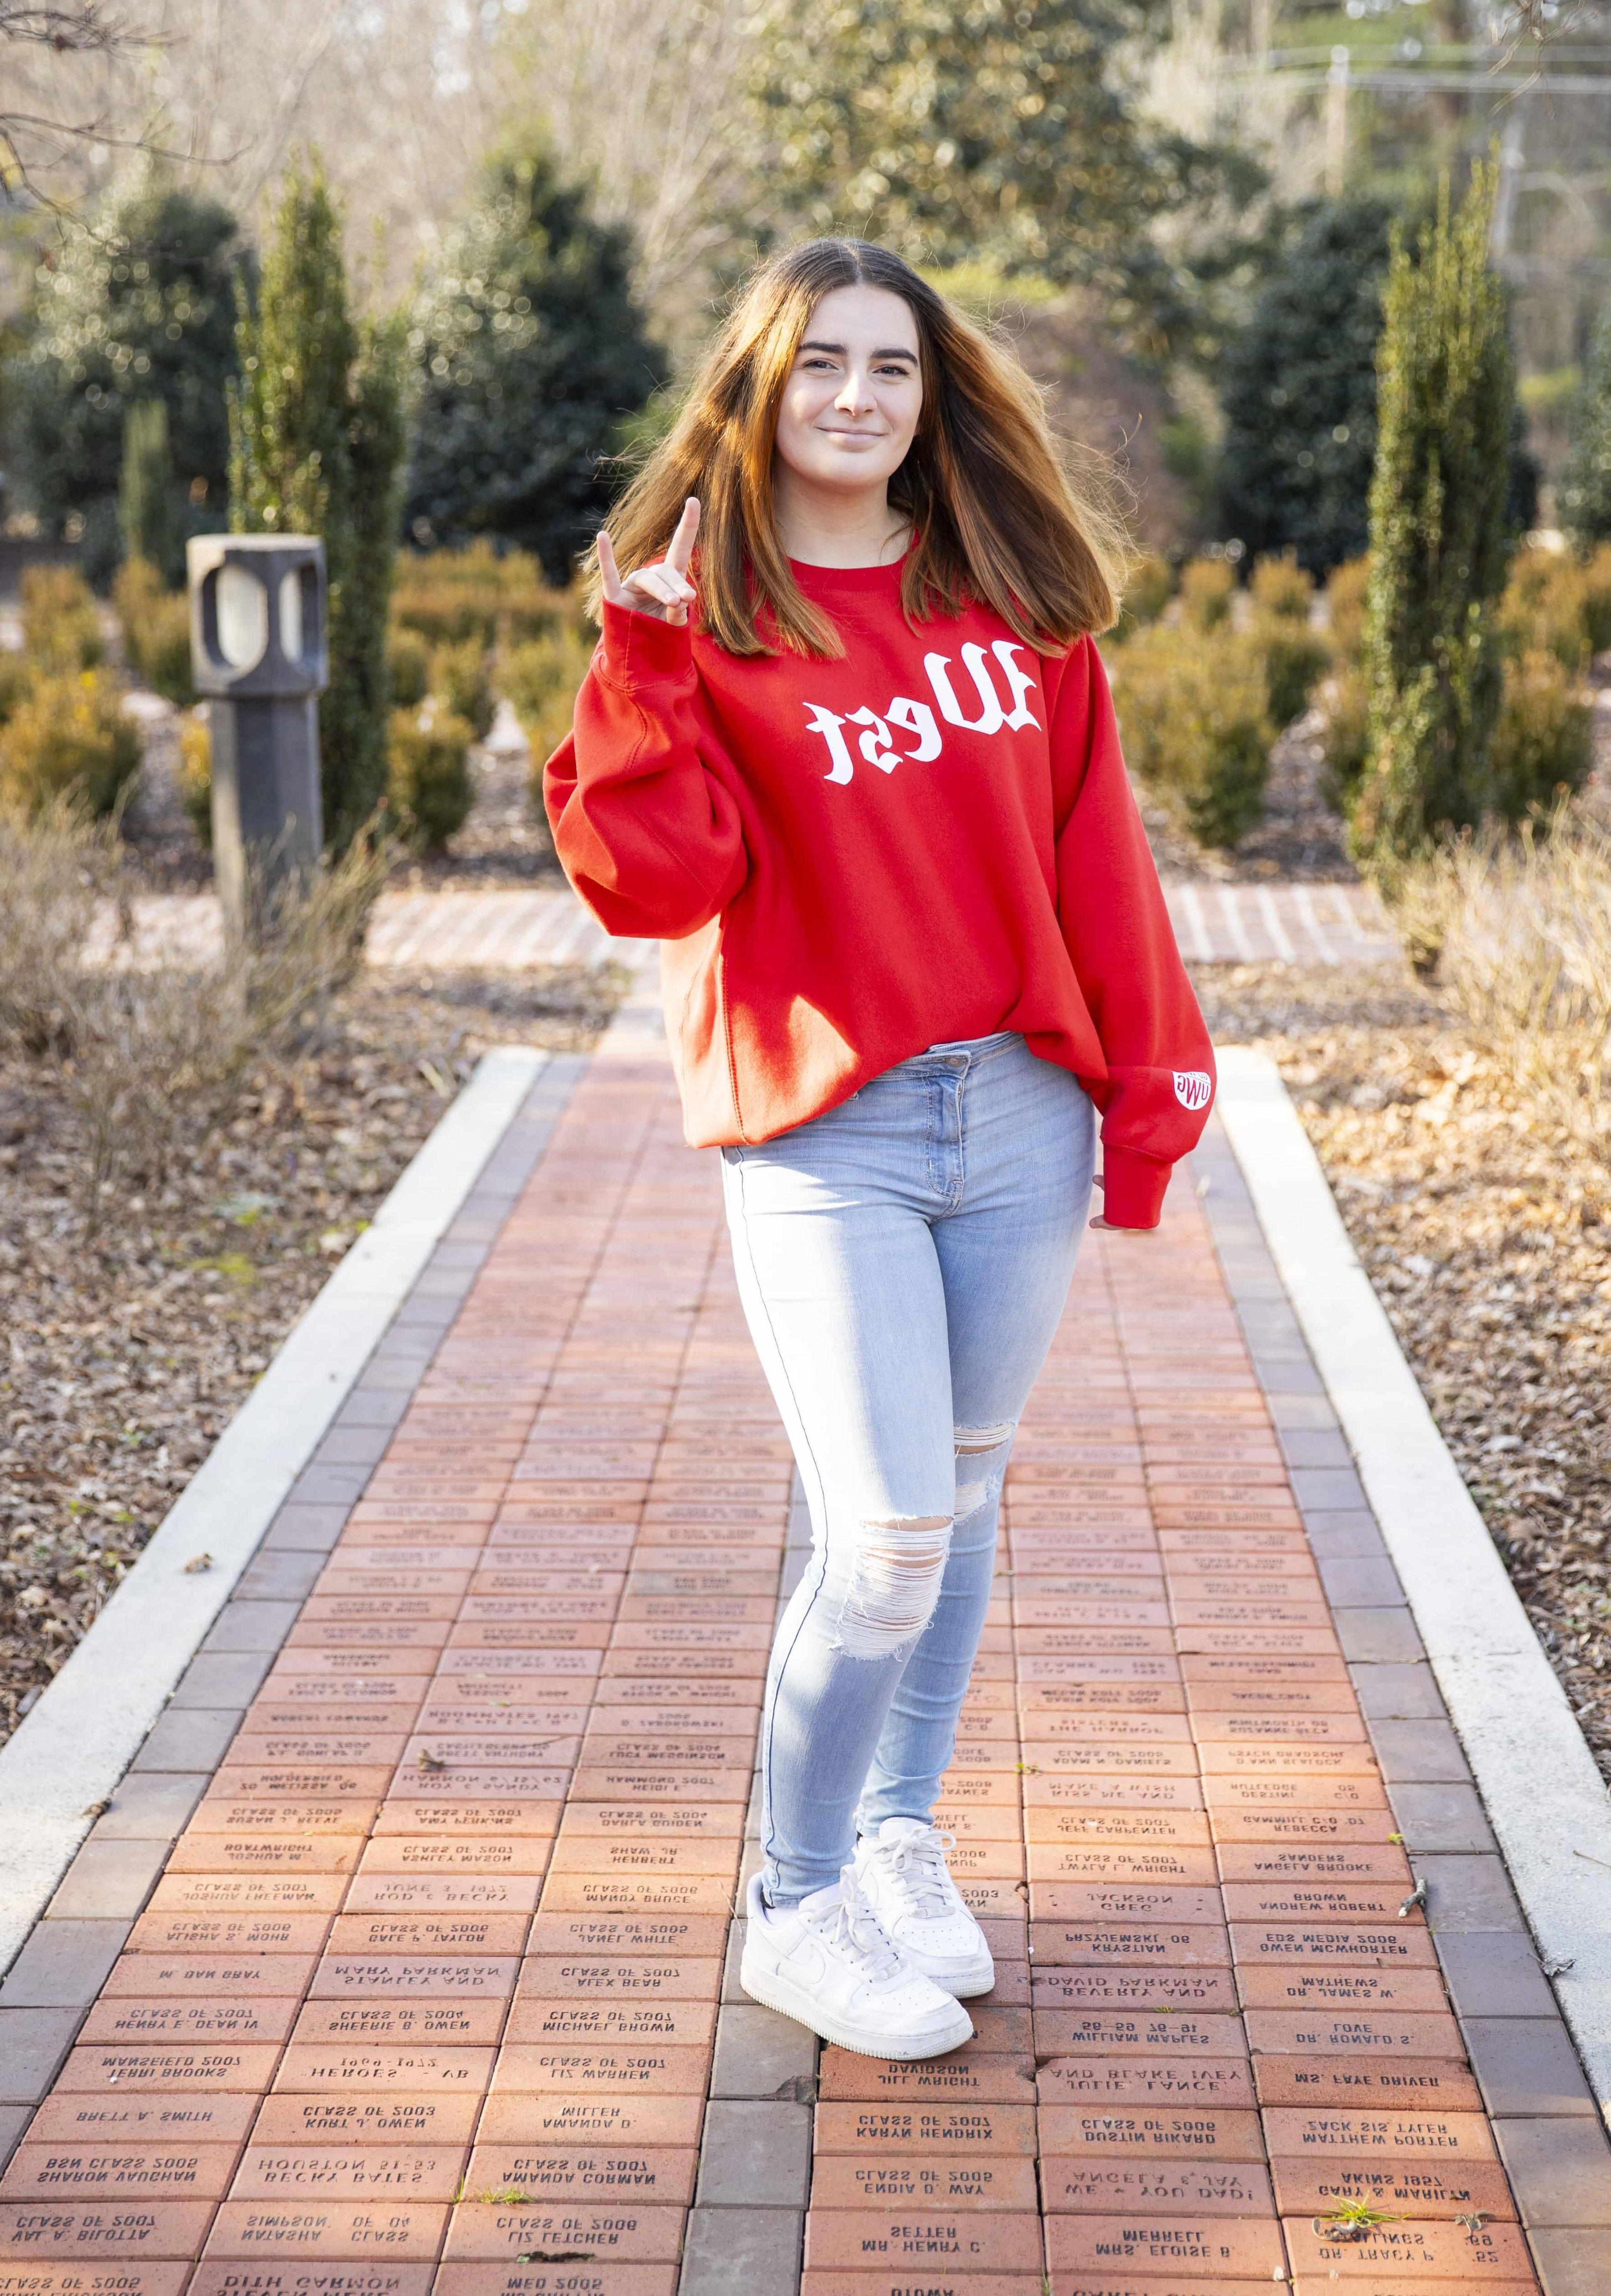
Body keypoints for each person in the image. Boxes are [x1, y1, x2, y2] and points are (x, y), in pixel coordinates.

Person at [545, 237, 1215, 2062]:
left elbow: (1100, 867)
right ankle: (791, 1900)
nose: (854, 393)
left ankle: (899, 1837)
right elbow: (648, 880)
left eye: (891, 367)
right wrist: (642, 654)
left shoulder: (1004, 602)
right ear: (756, 391)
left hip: (1015, 1110)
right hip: (823, 1124)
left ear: (935, 398)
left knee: (967, 1491)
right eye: (819, 362)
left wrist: (1141, 1100)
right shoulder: (704, 617)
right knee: (884, 1537)